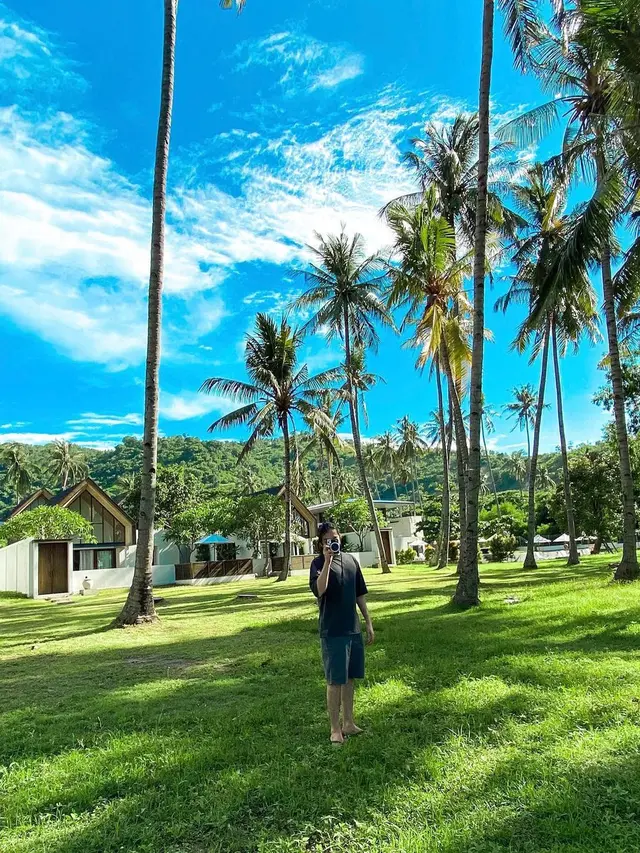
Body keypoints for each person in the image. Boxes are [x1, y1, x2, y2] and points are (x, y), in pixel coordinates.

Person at [309, 521, 374, 745]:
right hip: (333, 630)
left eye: (335, 539)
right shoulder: (317, 563)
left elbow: (359, 594)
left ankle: (348, 722)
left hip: (352, 628)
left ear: (340, 538)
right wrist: (327, 561)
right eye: (327, 540)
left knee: (349, 678)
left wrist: (368, 622)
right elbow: (320, 590)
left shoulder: (351, 561)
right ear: (321, 543)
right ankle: (335, 729)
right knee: (335, 680)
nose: (332, 543)